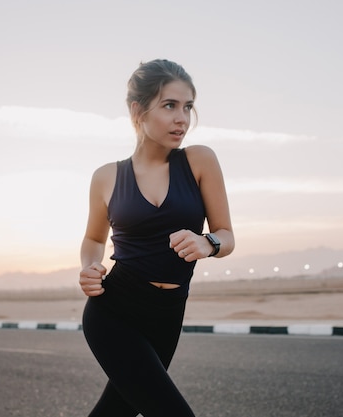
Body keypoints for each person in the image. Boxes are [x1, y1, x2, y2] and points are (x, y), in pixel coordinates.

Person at [79, 58, 234, 417]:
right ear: (138, 111)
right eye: (169, 105)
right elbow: (93, 239)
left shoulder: (199, 161)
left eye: (188, 107)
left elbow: (227, 236)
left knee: (113, 413)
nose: (182, 118)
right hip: (113, 310)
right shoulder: (106, 177)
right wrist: (90, 266)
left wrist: (207, 243)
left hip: (167, 315)